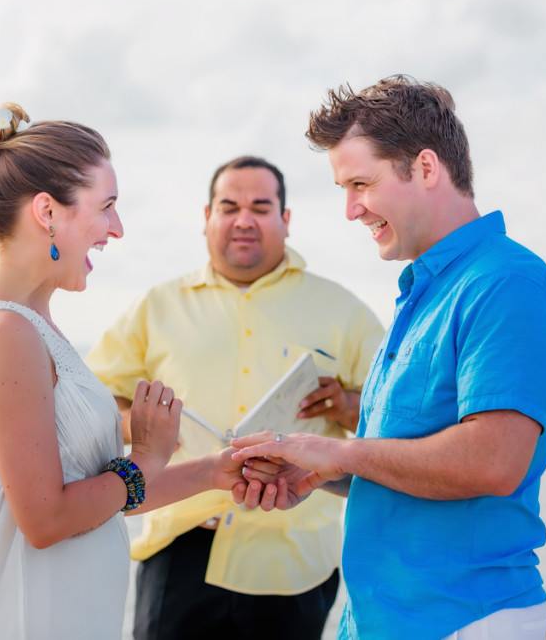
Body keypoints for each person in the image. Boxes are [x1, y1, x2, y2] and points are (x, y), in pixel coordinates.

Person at [232, 76, 546, 640]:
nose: (350, 209)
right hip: (380, 621)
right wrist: (321, 472)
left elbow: (492, 462)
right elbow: (407, 463)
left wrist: (335, 449)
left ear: (425, 168)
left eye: (360, 183)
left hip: (465, 618)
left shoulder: (507, 284)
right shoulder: (428, 290)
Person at [0, 105, 252, 639]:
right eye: (106, 207)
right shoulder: (6, 334)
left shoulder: (36, 326)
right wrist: (149, 456)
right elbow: (46, 520)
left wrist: (211, 473)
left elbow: (97, 497)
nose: (117, 228)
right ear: (47, 212)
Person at [86, 155, 384, 639]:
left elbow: (395, 420)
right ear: (207, 218)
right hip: (181, 547)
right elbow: (92, 400)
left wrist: (347, 406)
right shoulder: (156, 307)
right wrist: (140, 427)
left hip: (294, 558)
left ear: (285, 221)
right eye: (229, 206)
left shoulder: (344, 311)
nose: (244, 219)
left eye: (261, 207)